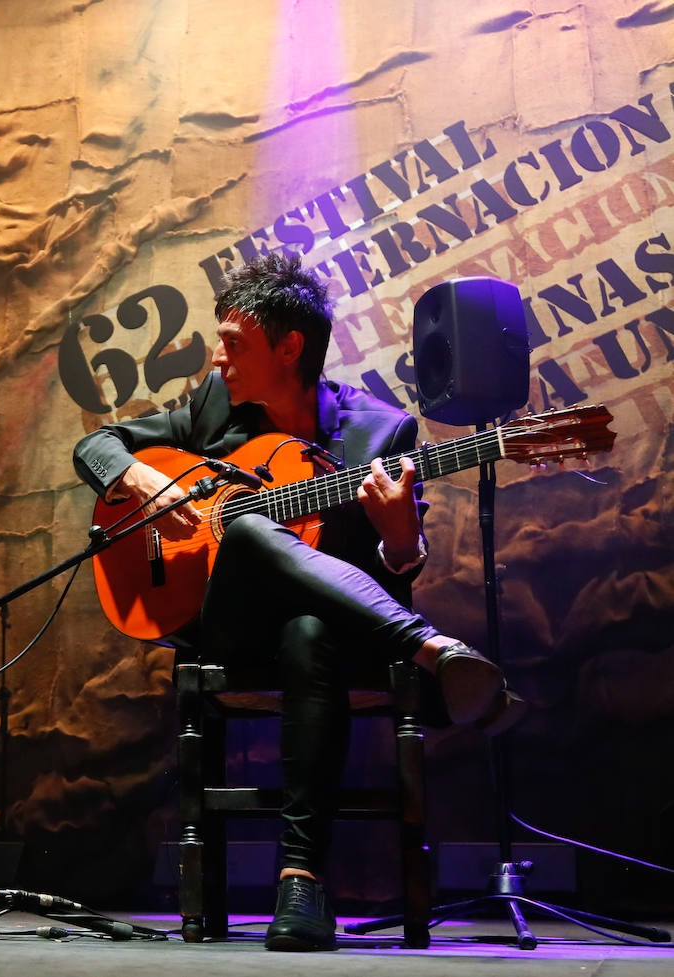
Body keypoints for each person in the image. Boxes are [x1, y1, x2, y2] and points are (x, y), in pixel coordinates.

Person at [72, 253, 523, 952]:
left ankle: (301, 880)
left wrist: (402, 540)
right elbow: (95, 444)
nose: (218, 357)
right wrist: (141, 480)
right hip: (224, 624)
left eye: (233, 342)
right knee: (249, 523)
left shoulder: (381, 436)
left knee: (311, 629)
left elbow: (390, 574)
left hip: (331, 640)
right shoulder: (213, 406)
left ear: (290, 348)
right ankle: (432, 648)